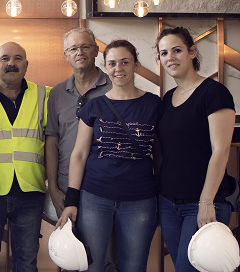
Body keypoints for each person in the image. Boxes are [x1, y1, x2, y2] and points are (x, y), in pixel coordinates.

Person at [56, 40, 161, 272]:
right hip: (95, 197)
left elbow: (162, 154)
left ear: (136, 64)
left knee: (134, 266)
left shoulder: (154, 104)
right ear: (105, 66)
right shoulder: (94, 106)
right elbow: (79, 155)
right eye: (112, 63)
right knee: (91, 265)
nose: (118, 68)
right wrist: (72, 201)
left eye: (125, 62)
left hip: (140, 200)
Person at [155, 27, 235, 272]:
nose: (171, 57)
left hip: (203, 203)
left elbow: (221, 151)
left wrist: (206, 201)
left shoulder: (214, 93)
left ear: (192, 51)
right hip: (168, 203)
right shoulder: (167, 99)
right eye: (164, 53)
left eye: (177, 50)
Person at [0, 42, 50, 272]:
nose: (11, 63)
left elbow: (55, 142)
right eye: (5, 58)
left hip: (30, 191)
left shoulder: (44, 95)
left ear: (26, 65)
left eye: (17, 58)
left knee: (26, 263)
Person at [45, 28, 111, 215]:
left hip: (104, 187)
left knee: (103, 245)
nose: (79, 53)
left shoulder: (114, 88)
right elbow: (52, 141)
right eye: (73, 49)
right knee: (70, 242)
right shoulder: (57, 93)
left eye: (85, 47)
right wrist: (53, 188)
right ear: (66, 55)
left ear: (96, 50)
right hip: (65, 188)